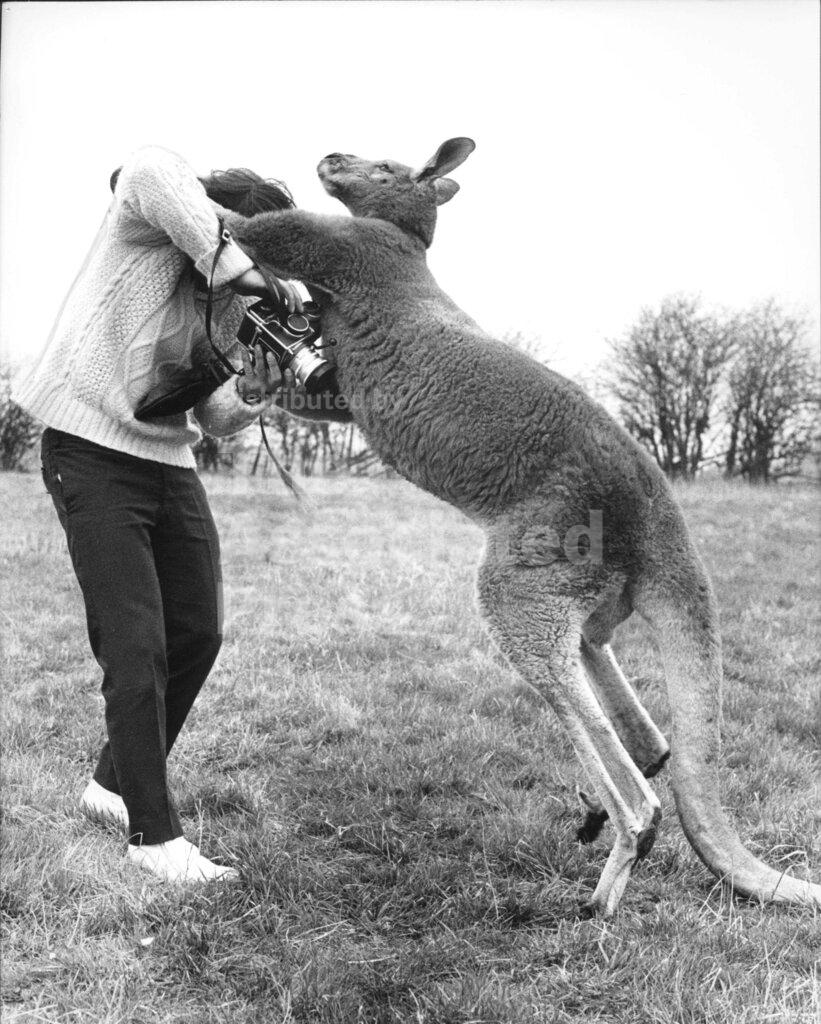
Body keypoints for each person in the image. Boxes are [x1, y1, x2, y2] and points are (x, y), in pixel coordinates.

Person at [13, 145, 350, 884]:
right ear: (221, 221)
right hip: (89, 450)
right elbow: (147, 169)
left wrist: (255, 387)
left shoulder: (230, 302)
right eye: (252, 243)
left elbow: (213, 415)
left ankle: (109, 786)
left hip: (168, 460)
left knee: (196, 631)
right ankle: (153, 839)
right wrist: (243, 263)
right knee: (136, 645)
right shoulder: (145, 223)